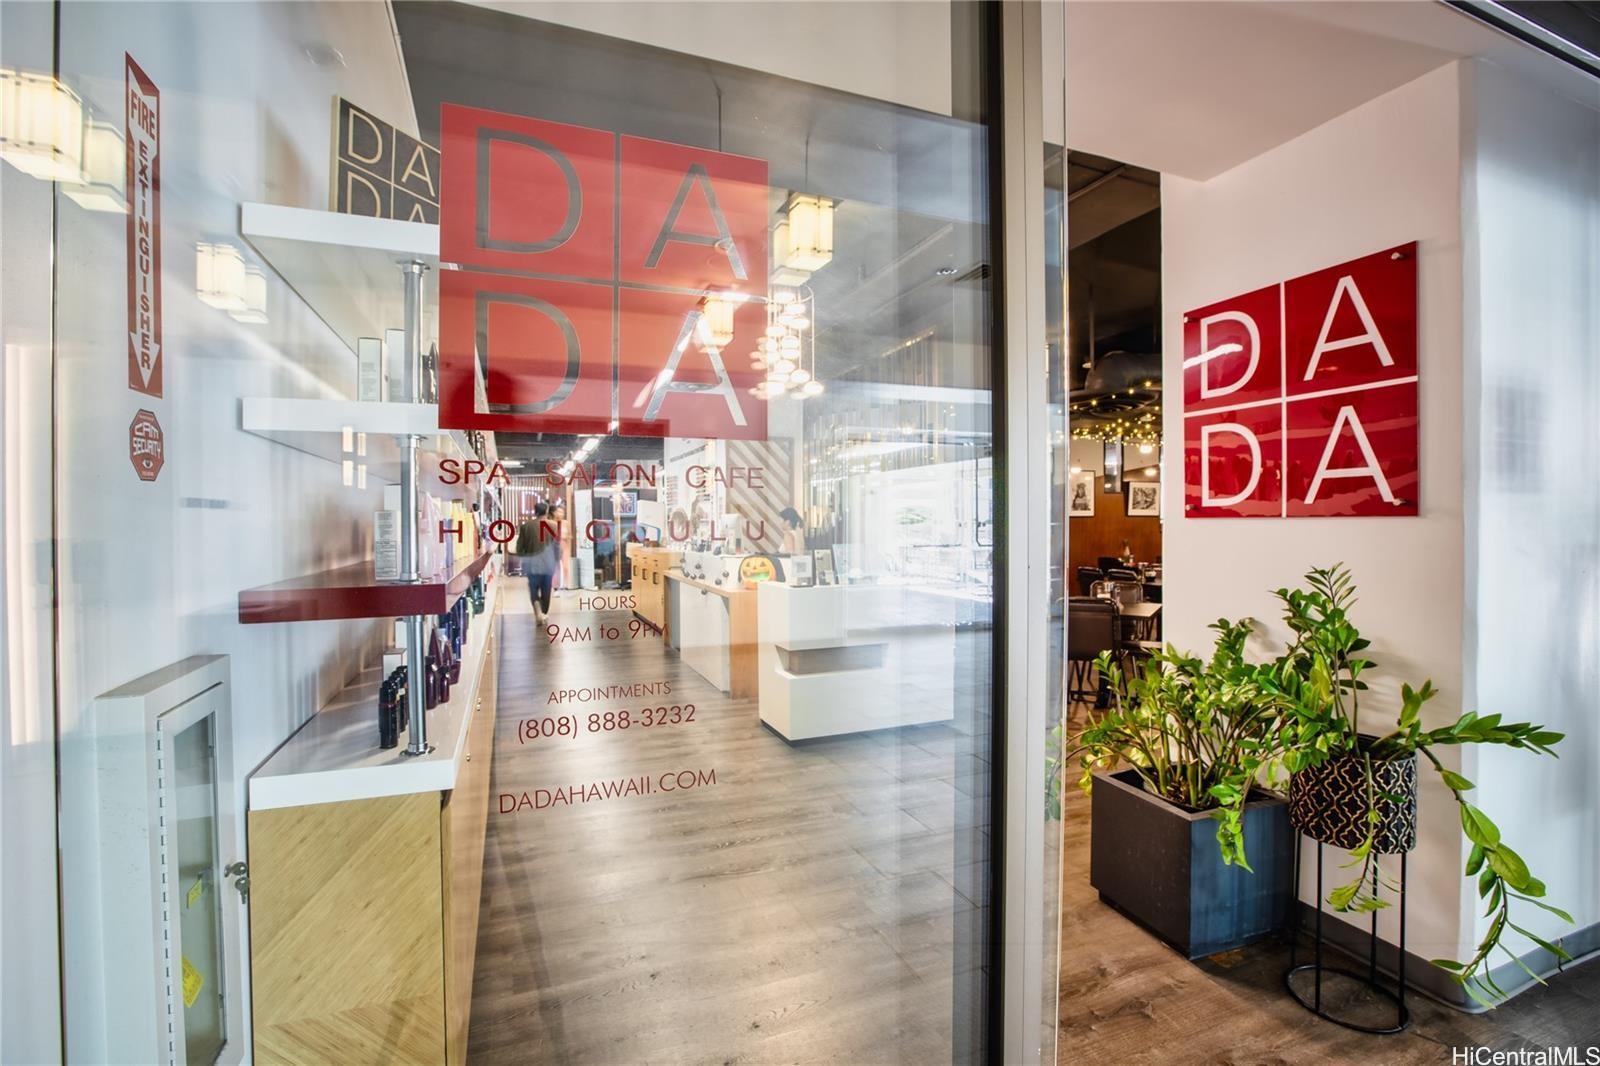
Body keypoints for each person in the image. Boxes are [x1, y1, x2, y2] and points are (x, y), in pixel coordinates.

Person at [514, 502, 560, 623]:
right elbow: (557, 546)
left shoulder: (526, 527)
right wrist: (556, 560)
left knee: (533, 589)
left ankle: (538, 612)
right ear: (546, 511)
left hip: (532, 565)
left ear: (535, 512)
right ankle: (543, 613)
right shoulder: (554, 526)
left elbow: (519, 548)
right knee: (546, 590)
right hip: (548, 564)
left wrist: (525, 559)